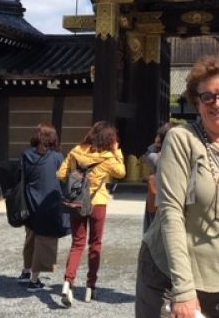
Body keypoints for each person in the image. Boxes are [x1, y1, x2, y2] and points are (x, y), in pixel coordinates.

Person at [135, 55, 219, 318]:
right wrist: (184, 289)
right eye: (207, 97)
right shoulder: (182, 139)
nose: (217, 103)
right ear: (197, 103)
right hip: (171, 275)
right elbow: (170, 213)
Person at [57, 121, 126, 306]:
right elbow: (121, 172)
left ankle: (67, 282)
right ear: (110, 139)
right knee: (95, 244)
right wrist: (116, 151)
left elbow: (61, 174)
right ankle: (90, 287)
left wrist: (76, 176)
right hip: (98, 203)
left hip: (77, 203)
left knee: (77, 244)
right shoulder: (108, 157)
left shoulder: (76, 151)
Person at [18, 122, 69, 292]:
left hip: (29, 202)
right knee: (45, 241)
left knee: (30, 237)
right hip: (48, 203)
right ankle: (34, 280)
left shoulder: (26, 155)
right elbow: (63, 181)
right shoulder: (56, 157)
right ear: (53, 138)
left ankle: (25, 271)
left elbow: (21, 177)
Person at [142, 122, 173, 234]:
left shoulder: (154, 156)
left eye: (159, 136)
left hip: (157, 196)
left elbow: (149, 156)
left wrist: (156, 145)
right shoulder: (176, 155)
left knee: (152, 229)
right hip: (166, 195)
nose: (156, 138)